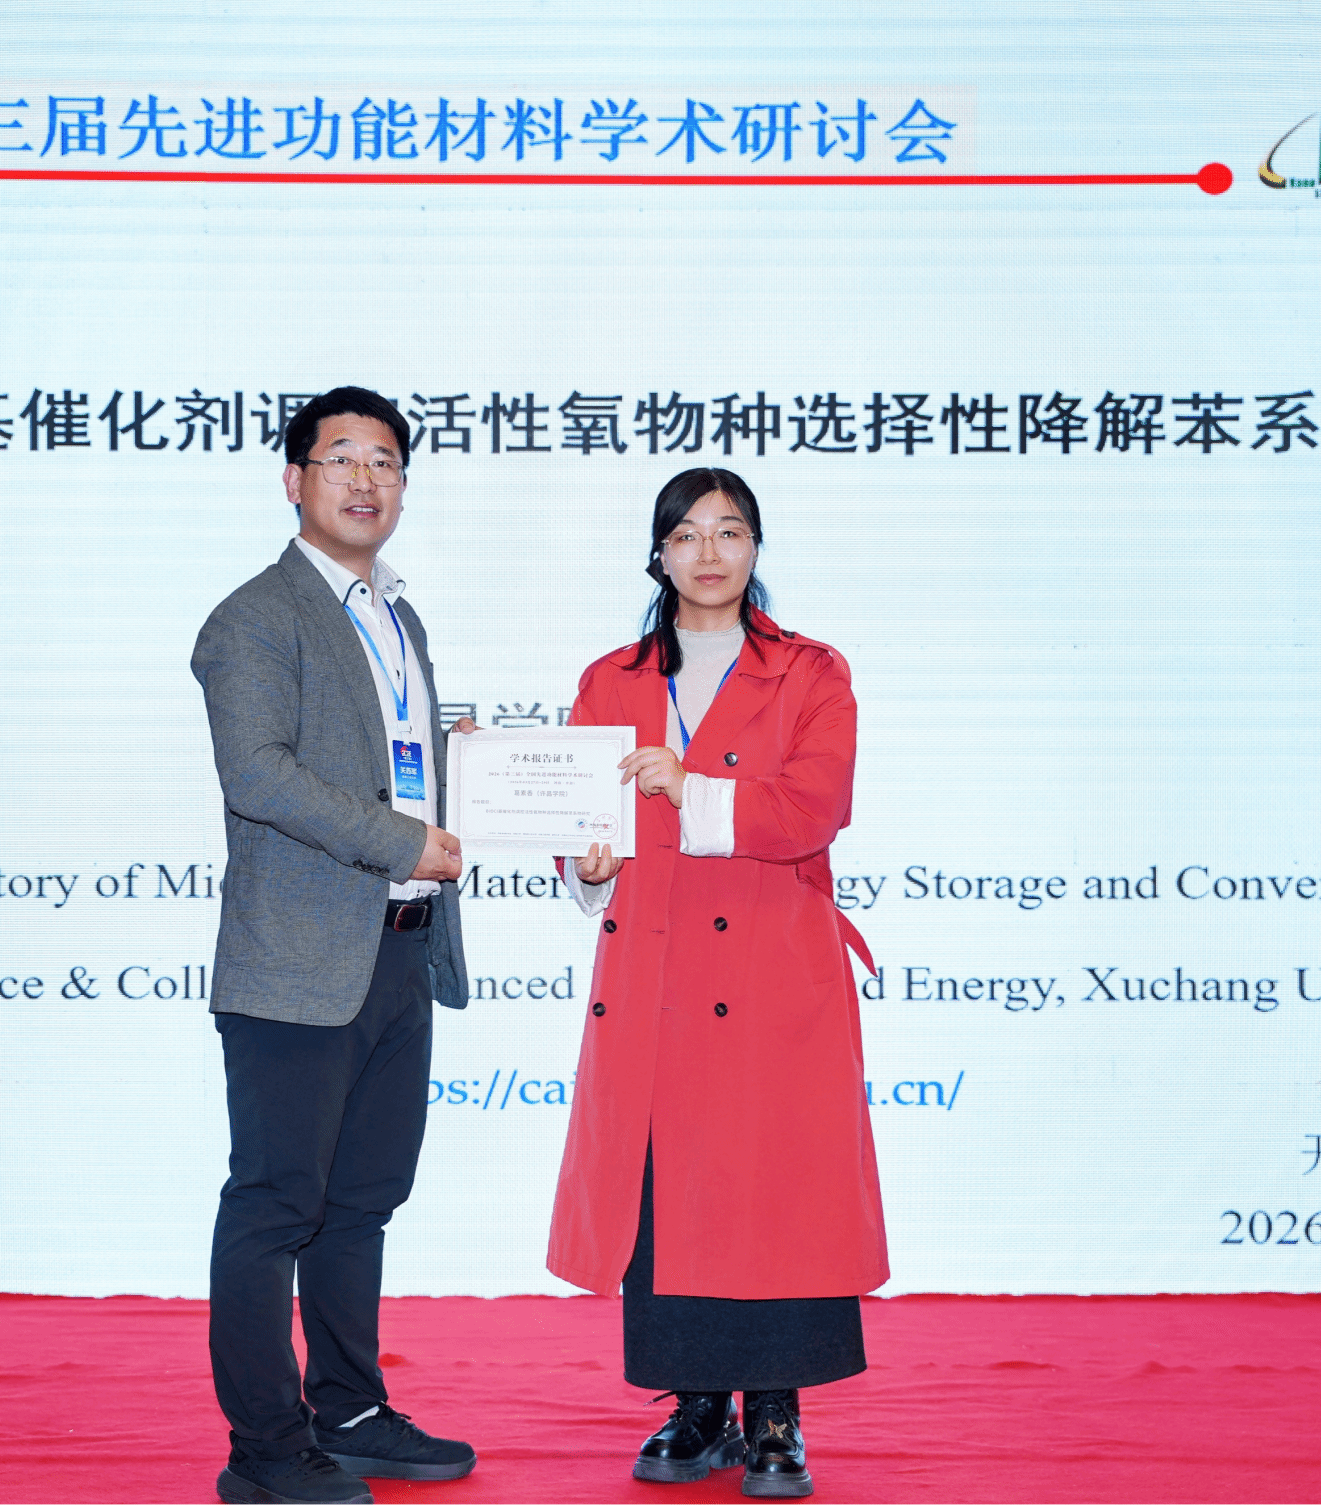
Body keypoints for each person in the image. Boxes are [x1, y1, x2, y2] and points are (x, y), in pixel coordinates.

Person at [547, 467, 887, 1499]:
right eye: (686, 533)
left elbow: (816, 804)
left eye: (729, 531)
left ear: (754, 548)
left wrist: (689, 786)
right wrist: (584, 861)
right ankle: (696, 1403)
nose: (708, 552)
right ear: (658, 554)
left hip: (773, 967)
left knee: (778, 1189)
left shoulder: (811, 670)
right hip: (656, 965)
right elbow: (583, 826)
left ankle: (776, 1410)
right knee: (671, 1189)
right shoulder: (611, 679)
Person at [192, 387, 479, 1505]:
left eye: (386, 462)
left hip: (398, 950)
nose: (366, 480)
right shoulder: (254, 616)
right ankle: (263, 1448)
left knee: (360, 1203)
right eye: (342, 458)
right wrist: (406, 838)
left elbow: (384, 762)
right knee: (275, 1205)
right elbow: (258, 774)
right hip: (295, 965)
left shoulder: (397, 617)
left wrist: (477, 775)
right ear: (293, 479)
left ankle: (349, 1410)